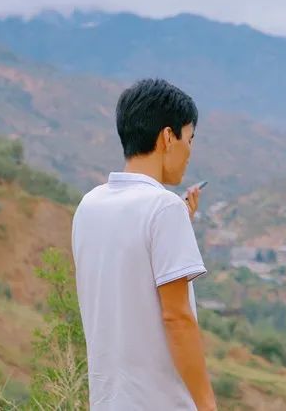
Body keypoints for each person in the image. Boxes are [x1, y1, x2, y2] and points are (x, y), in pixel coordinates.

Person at [72, 78, 216, 410]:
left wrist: (178, 224)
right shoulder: (164, 208)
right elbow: (177, 318)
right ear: (168, 137)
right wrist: (207, 404)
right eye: (189, 139)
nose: (189, 152)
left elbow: (125, 275)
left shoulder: (89, 205)